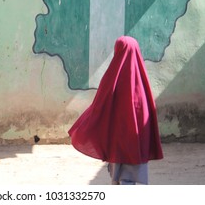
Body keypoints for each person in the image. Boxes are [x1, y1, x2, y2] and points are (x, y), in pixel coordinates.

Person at [68, 36, 163, 185]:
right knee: (132, 172)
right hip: (136, 138)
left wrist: (85, 124)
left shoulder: (113, 75)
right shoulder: (142, 80)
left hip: (117, 138)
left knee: (119, 174)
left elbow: (100, 104)